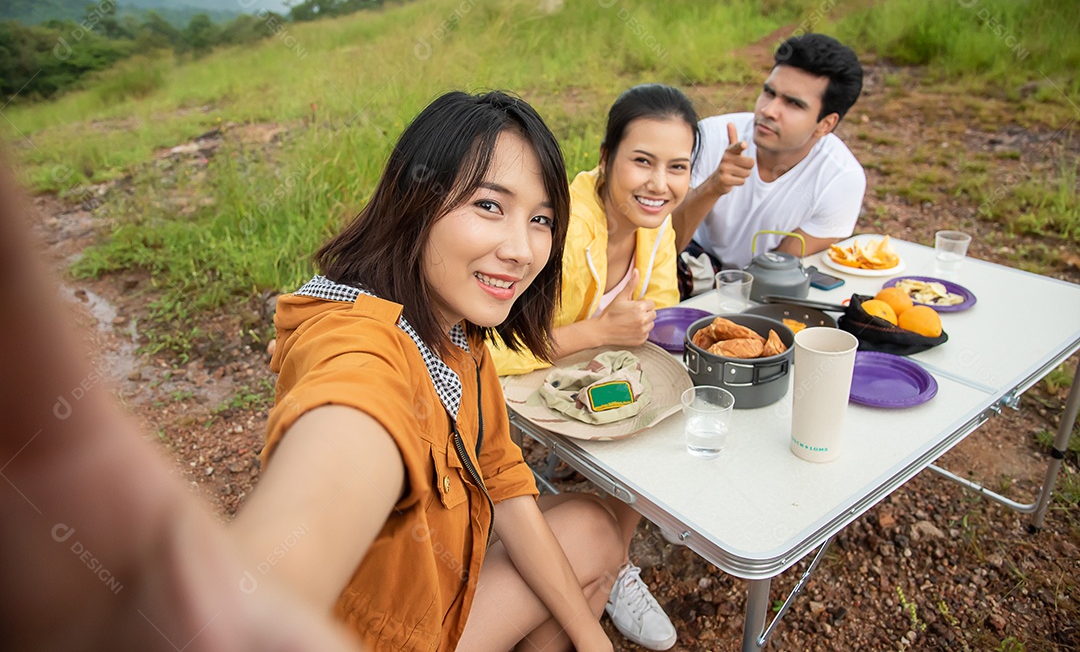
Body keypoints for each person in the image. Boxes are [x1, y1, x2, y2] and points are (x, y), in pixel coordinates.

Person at [2, 91, 629, 652]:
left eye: (541, 218)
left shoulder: (457, 331)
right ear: (415, 202)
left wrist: (588, 641)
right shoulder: (356, 339)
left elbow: (506, 487)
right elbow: (347, 438)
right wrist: (237, 612)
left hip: (439, 604)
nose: (522, 249)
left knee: (594, 530)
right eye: (490, 205)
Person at [490, 83, 699, 651]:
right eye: (643, 161)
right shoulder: (557, 228)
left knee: (665, 411)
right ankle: (602, 568)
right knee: (643, 443)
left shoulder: (657, 224)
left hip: (588, 377)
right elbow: (488, 341)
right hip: (518, 383)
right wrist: (596, 334)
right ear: (606, 159)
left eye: (678, 167)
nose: (660, 184)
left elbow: (661, 313)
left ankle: (613, 568)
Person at [672, 33, 865, 295]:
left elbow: (779, 270)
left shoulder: (841, 178)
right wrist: (713, 187)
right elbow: (662, 246)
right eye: (769, 92)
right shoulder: (712, 137)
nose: (769, 110)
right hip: (692, 260)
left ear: (825, 124)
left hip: (759, 282)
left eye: (793, 104)